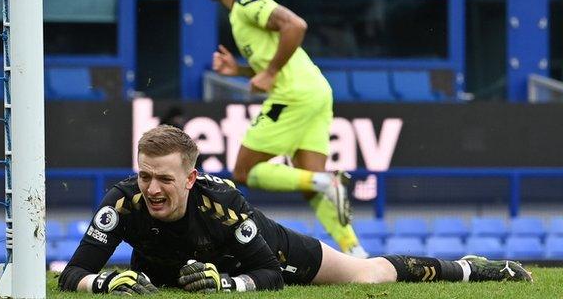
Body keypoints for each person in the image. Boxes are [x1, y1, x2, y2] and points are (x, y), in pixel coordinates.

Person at [58, 125, 532, 295]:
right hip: (176, 270)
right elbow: (72, 272)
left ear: (190, 178)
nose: (153, 188)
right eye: (145, 175)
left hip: (268, 249)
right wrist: (100, 282)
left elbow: (269, 275)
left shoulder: (221, 203)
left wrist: (227, 284)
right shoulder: (122, 201)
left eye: (165, 179)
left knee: (369, 275)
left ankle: (469, 269)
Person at [203, 0, 367, 258]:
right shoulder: (239, 14)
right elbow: (272, 59)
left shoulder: (247, 1)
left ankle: (328, 181)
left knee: (243, 171)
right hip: (315, 91)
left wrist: (270, 72)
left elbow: (296, 25)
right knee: (310, 184)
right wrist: (238, 70)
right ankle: (355, 251)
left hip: (292, 95)